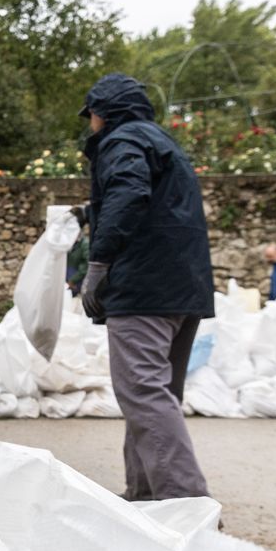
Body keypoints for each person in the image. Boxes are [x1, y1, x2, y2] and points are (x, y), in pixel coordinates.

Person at [78, 73, 214, 502]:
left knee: (143, 393)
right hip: (183, 289)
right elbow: (149, 198)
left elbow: (130, 191)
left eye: (92, 116)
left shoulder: (121, 141)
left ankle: (186, 505)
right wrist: (90, 212)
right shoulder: (161, 142)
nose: (91, 125)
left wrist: (97, 264)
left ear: (103, 113)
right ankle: (144, 499)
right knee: (157, 396)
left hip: (144, 290)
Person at [66, 204, 90, 295]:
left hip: (76, 280)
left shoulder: (84, 244)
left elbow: (86, 266)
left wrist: (73, 280)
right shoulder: (67, 242)